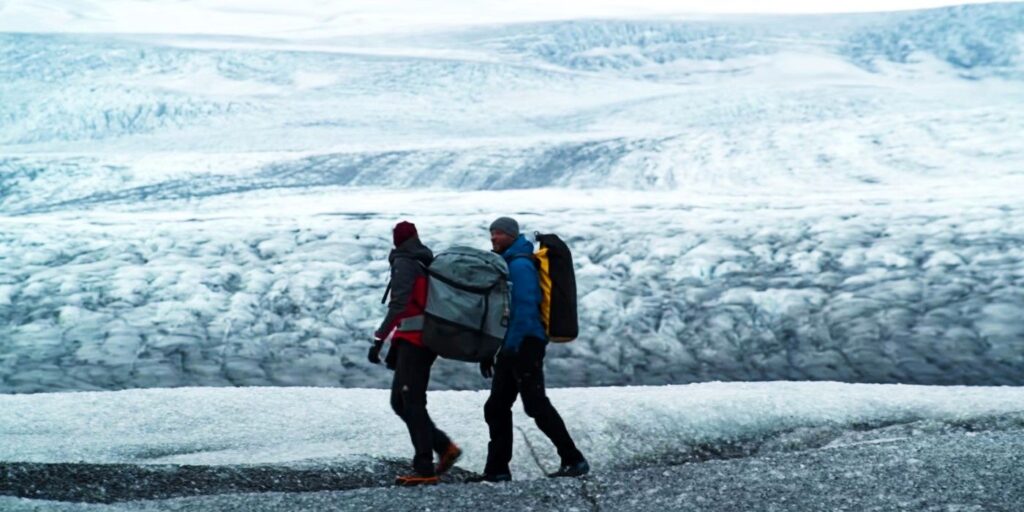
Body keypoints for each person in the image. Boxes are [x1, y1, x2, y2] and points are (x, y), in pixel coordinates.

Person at [470, 216, 589, 482]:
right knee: (497, 407)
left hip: (525, 344)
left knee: (535, 405)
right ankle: (497, 470)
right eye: (492, 233)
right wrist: (493, 351)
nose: (493, 238)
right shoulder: (510, 262)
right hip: (515, 345)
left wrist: (510, 348)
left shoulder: (521, 265)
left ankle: (574, 459)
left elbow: (524, 309)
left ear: (512, 236)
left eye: (499, 233)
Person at [370, 220, 461, 486]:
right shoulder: (422, 259)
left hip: (416, 341)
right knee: (401, 402)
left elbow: (399, 303)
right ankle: (444, 447)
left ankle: (425, 470)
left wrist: (378, 339)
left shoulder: (406, 262)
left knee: (411, 403)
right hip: (418, 340)